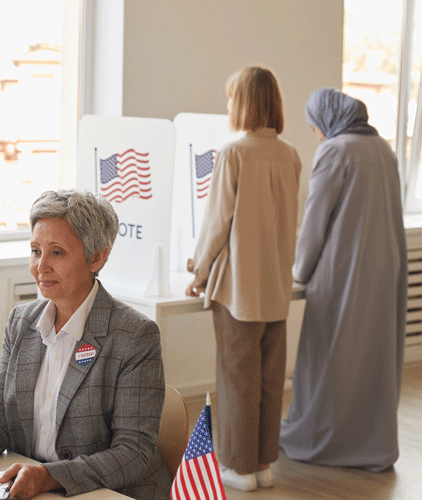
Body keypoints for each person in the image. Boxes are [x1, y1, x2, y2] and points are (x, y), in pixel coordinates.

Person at [0, 190, 173, 500]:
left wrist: (49, 477)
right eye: (35, 250)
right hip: (36, 490)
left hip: (112, 493)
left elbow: (134, 452)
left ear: (97, 257)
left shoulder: (135, 335)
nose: (40, 266)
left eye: (57, 252)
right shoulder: (22, 322)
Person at [185, 66, 301, 491]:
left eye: (232, 96)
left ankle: (238, 466)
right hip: (277, 285)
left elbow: (217, 222)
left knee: (237, 378)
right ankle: (264, 463)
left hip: (240, 289)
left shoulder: (234, 153)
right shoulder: (290, 154)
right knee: (271, 378)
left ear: (245, 102)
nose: (228, 104)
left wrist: (198, 271)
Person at [279, 88, 407, 472]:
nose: (317, 134)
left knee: (329, 357)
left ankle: (322, 439)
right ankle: (371, 444)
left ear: (327, 119)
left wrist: (299, 271)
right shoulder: (383, 149)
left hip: (342, 271)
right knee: (370, 357)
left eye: (315, 127)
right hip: (383, 270)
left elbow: (316, 220)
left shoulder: (336, 151)